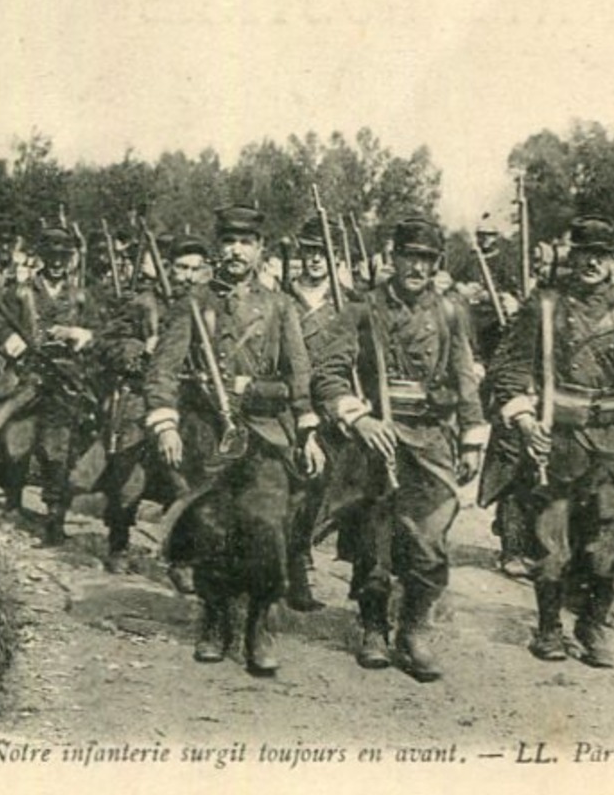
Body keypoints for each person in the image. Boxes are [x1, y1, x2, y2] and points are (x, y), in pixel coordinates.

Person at [144, 205, 323, 675]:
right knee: (212, 531)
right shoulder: (193, 304)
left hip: (264, 435)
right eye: (228, 241)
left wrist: (304, 429)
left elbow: (298, 379)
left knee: (266, 530)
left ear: (260, 249)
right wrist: (165, 422)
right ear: (217, 249)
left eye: (245, 242)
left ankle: (259, 623)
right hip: (206, 437)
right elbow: (162, 369)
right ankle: (215, 617)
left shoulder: (281, 306)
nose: (236, 250)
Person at [313, 216, 488, 682]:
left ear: (436, 265)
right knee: (374, 540)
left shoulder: (451, 312)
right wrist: (359, 417)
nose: (417, 267)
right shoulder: (362, 309)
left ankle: (413, 630)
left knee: (429, 544)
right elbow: (327, 374)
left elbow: (465, 378)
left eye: (427, 259)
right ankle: (373, 626)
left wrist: (472, 437)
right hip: (377, 440)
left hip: (431, 442)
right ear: (393, 258)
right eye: (409, 256)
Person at [482, 215, 614, 667]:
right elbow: (510, 369)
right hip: (558, 440)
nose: (591, 262)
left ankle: (593, 626)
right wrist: (523, 419)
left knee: (611, 539)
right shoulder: (544, 306)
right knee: (552, 544)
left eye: (601, 255)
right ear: (569, 256)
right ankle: (548, 628)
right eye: (583, 253)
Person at [92, 232, 208, 580]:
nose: (187, 276)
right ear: (166, 268)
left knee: (187, 481)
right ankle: (119, 542)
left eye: (195, 269)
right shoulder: (142, 303)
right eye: (181, 267)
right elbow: (106, 345)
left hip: (189, 401)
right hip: (141, 396)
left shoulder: (205, 305)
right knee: (128, 476)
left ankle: (182, 558)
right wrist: (142, 348)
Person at [0, 227, 98, 546]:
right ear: (41, 258)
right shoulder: (20, 291)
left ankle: (55, 518)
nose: (57, 263)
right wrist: (10, 340)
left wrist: (80, 334)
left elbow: (99, 330)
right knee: (16, 442)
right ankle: (13, 503)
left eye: (63, 257)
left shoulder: (81, 295)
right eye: (51, 257)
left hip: (65, 379)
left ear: (70, 260)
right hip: (26, 376)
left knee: (56, 448)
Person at [281, 215, 359, 612]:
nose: (314, 260)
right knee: (293, 491)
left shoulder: (349, 301)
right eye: (308, 251)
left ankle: (300, 555)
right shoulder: (282, 297)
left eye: (321, 253)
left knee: (325, 493)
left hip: (332, 409)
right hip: (290, 406)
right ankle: (294, 572)